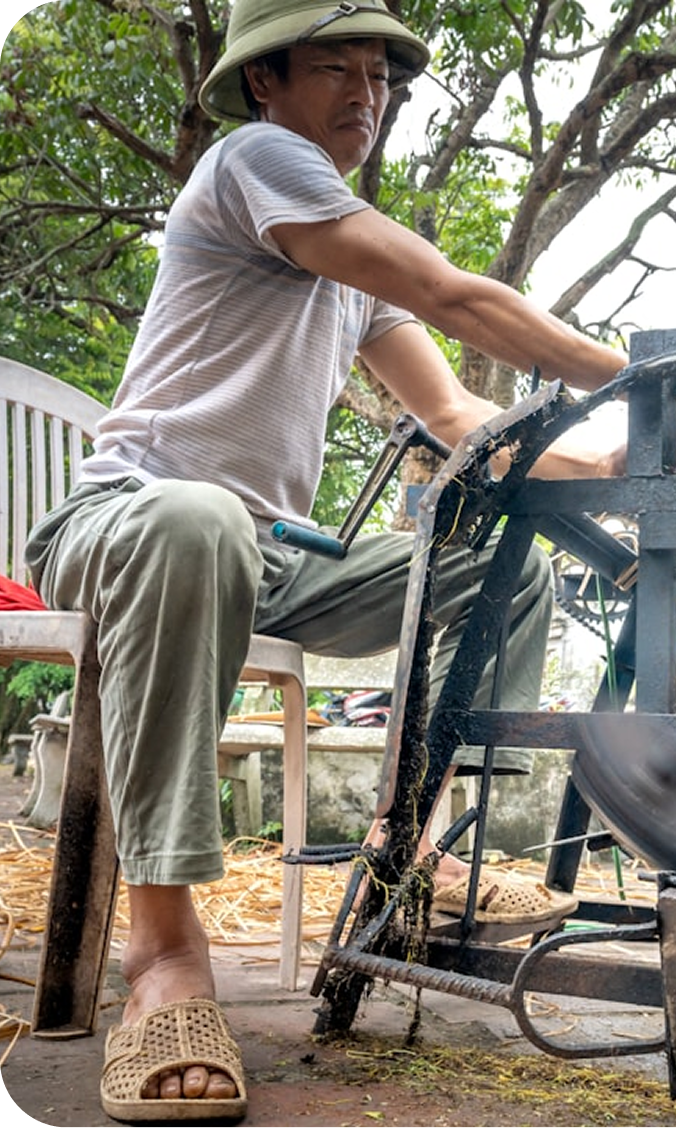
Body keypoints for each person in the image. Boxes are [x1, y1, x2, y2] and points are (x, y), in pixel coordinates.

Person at [24, 1, 626, 1119]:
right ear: (267, 86)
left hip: (263, 557)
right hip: (125, 526)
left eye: (380, 78)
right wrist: (645, 375)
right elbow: (456, 294)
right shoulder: (255, 162)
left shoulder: (348, 267)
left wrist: (641, 452)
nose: (366, 95)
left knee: (505, 570)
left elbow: (456, 419)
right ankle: (160, 953)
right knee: (198, 518)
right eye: (335, 70)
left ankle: (411, 854)